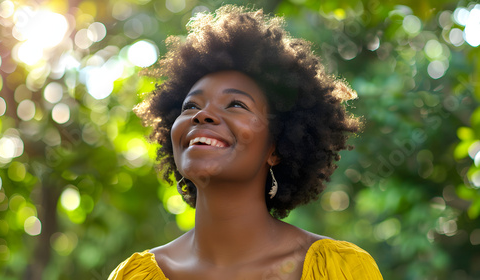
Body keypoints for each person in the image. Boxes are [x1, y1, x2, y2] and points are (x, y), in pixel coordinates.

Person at [108, 5, 383, 280]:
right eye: (190, 106)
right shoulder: (133, 275)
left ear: (276, 147)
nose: (202, 115)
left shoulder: (340, 269)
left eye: (236, 104)